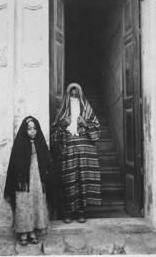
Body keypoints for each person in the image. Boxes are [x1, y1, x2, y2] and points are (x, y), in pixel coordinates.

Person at [51, 83, 102, 223]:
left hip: (85, 149)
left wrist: (85, 125)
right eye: (71, 95)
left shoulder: (87, 110)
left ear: (80, 96)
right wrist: (62, 125)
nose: (74, 98)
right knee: (68, 179)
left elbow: (97, 129)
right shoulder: (62, 112)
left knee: (83, 179)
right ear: (67, 96)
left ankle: (81, 212)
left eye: (76, 95)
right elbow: (53, 132)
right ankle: (68, 212)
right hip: (67, 148)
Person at [4, 116, 54, 246]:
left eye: (34, 128)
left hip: (37, 179)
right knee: (24, 204)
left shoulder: (41, 143)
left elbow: (47, 162)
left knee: (35, 203)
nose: (32, 131)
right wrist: (18, 180)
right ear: (24, 130)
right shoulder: (20, 144)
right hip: (24, 182)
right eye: (29, 129)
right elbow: (14, 166)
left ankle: (32, 232)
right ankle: (23, 233)